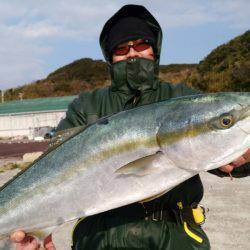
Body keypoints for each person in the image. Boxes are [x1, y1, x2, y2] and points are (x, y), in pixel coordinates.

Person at [11, 4, 250, 250]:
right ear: (110, 55)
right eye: (122, 48)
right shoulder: (87, 105)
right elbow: (52, 171)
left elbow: (223, 159)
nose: (132, 53)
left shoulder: (182, 98)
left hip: (175, 239)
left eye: (142, 44)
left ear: (155, 49)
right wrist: (35, 230)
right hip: (98, 242)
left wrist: (243, 159)